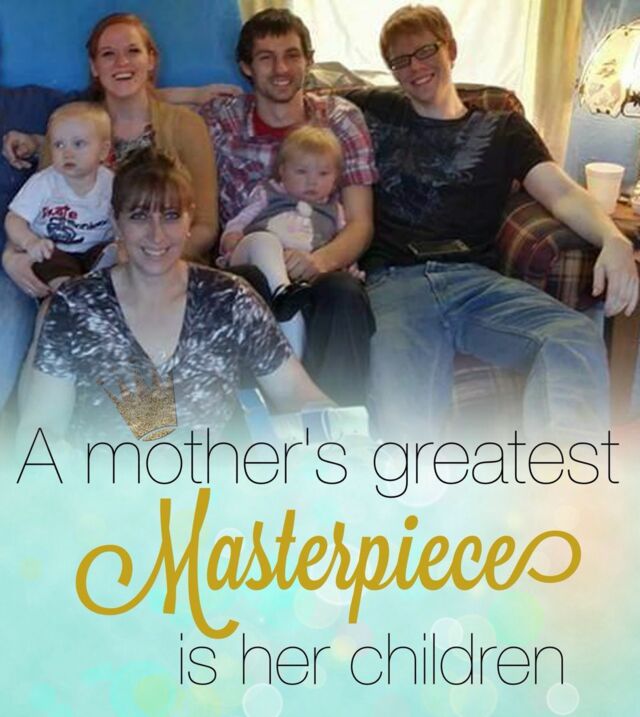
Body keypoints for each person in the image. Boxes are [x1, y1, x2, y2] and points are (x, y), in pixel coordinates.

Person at [346, 5, 639, 440]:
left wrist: (613, 239)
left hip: (476, 282)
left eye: (425, 51)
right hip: (396, 281)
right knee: (402, 410)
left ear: (451, 49)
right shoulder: (373, 110)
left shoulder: (504, 128)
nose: (415, 67)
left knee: (572, 336)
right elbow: (301, 101)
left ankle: (565, 477)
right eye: (401, 60)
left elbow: (561, 193)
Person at [18, 148, 328, 443]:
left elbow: (297, 395)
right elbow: (42, 427)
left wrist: (347, 440)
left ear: (189, 219)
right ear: (116, 221)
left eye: (170, 216)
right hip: (98, 477)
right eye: (139, 216)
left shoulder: (230, 300)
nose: (156, 235)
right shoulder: (75, 305)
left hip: (206, 479)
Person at [199, 8, 377, 406]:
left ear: (309, 61)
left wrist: (320, 261)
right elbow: (138, 101)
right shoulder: (221, 121)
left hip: (319, 259)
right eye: (266, 58)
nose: (281, 69)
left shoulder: (341, 119)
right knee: (243, 288)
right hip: (248, 262)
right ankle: (262, 430)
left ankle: (340, 425)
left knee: (344, 293)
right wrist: (191, 94)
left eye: (292, 55)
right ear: (246, 67)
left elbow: (360, 222)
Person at [3, 11, 218, 299]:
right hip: (71, 276)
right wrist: (11, 255)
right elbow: (39, 201)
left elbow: (206, 227)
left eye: (133, 51)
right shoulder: (69, 124)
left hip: (167, 274)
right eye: (108, 54)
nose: (121, 62)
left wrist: (147, 260)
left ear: (151, 60)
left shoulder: (186, 125)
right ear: (94, 67)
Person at [221, 125, 347, 356]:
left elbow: (342, 245)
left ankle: (290, 328)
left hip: (302, 272)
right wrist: (232, 237)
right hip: (254, 257)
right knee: (265, 240)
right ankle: (283, 295)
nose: (312, 182)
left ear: (336, 178)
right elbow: (239, 221)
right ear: (282, 171)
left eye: (323, 174)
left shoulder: (335, 211)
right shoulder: (267, 194)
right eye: (301, 172)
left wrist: (351, 268)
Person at [5, 102, 114, 288]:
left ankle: (97, 282)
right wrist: (30, 242)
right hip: (55, 250)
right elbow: (14, 218)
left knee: (113, 252)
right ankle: (67, 292)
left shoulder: (112, 184)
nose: (67, 153)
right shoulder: (44, 182)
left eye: (78, 144)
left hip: (95, 250)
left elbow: (123, 217)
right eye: (59, 145)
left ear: (103, 150)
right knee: (50, 261)